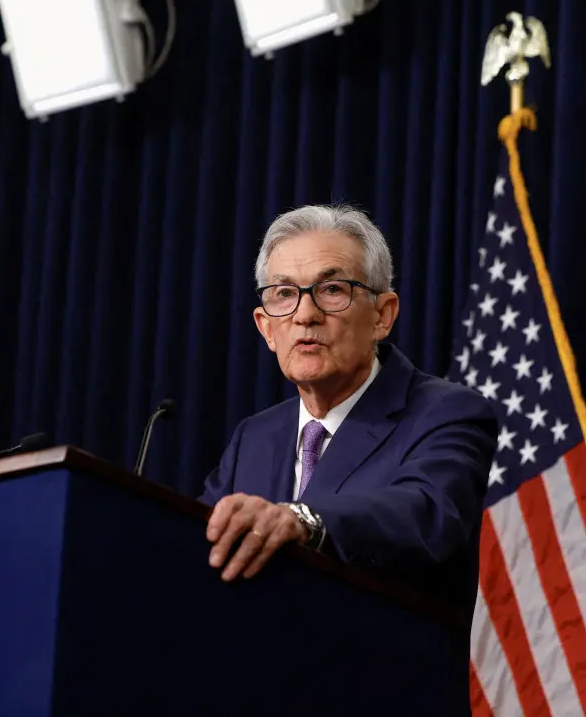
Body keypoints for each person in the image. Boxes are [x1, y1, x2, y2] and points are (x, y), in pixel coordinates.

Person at [200, 203, 497, 613]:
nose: (306, 314)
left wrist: (304, 520)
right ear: (266, 327)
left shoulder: (446, 413)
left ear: (382, 315)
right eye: (285, 294)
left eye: (332, 290)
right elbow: (199, 548)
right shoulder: (253, 437)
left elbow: (426, 515)